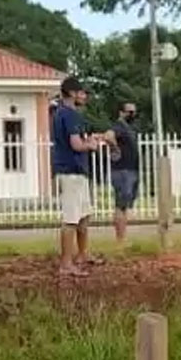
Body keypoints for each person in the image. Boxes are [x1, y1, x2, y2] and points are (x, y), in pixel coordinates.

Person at [51, 76, 101, 277]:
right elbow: (76, 144)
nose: (84, 96)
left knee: (83, 215)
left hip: (75, 172)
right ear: (72, 94)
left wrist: (88, 140)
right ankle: (66, 263)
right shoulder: (70, 114)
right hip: (71, 171)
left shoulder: (60, 114)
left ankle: (82, 254)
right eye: (81, 92)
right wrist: (91, 145)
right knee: (71, 219)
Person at [104, 101, 140, 244]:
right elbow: (108, 136)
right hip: (122, 171)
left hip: (130, 170)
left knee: (125, 206)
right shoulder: (119, 126)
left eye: (134, 112)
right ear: (121, 113)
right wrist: (115, 148)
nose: (132, 114)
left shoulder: (129, 128)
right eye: (129, 112)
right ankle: (120, 240)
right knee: (121, 205)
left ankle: (123, 238)